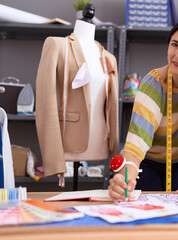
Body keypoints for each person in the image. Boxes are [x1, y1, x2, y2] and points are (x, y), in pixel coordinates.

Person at [109, 16, 178, 203]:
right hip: (148, 162)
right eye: (174, 44)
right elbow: (137, 141)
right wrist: (124, 177)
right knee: (145, 213)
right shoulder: (153, 83)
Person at [35, 4, 119, 186]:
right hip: (68, 141)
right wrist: (54, 159)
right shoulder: (56, 45)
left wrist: (115, 150)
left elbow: (112, 108)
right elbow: (45, 103)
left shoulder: (109, 58)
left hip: (99, 141)